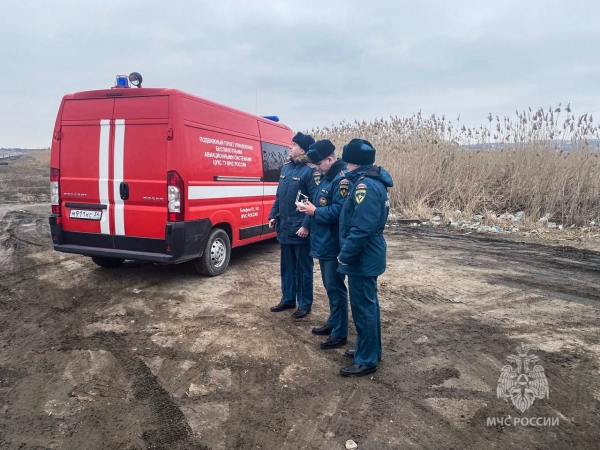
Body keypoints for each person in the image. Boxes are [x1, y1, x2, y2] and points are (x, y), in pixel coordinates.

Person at [336, 138, 393, 377]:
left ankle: (367, 359)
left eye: (348, 162)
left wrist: (345, 254)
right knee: (368, 305)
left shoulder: (366, 186)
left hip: (363, 255)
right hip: (368, 253)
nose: (346, 167)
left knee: (363, 307)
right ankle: (369, 348)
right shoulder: (369, 181)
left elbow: (362, 227)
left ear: (355, 163)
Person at [297, 139, 349, 349]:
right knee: (330, 286)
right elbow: (319, 203)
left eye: (319, 163)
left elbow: (340, 211)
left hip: (333, 244)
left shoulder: (341, 180)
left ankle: (340, 333)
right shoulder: (326, 178)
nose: (316, 168)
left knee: (335, 288)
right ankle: (333, 321)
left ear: (330, 159)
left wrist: (315, 211)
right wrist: (311, 209)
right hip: (323, 242)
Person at [269, 132, 319, 319]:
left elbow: (316, 201)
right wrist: (273, 215)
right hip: (285, 227)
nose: (290, 147)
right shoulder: (286, 169)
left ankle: (305, 303)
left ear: (302, 150)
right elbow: (279, 196)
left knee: (303, 268)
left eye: (293, 145)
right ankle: (288, 298)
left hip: (300, 229)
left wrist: (306, 225)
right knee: (287, 266)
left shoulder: (311, 171)